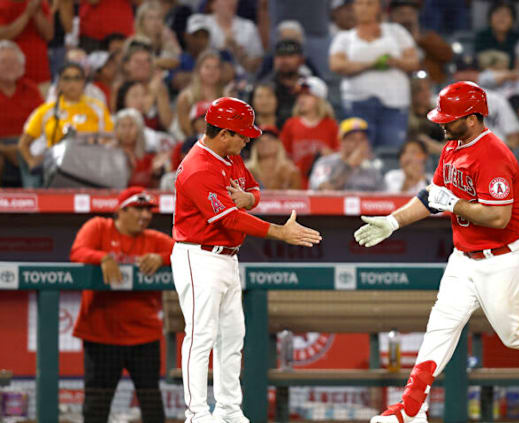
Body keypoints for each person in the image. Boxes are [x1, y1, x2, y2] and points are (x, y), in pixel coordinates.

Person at [354, 81, 519, 423]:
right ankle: (411, 409)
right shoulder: (452, 146)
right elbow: (433, 196)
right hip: (464, 257)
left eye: (450, 117)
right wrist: (392, 222)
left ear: (473, 118)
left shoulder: (494, 154)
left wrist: (456, 202)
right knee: (441, 326)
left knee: (515, 333)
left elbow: (498, 216)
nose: (441, 123)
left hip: (506, 257)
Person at [171, 97, 321, 423]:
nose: (247, 140)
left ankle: (227, 408)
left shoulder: (230, 155)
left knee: (232, 336)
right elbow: (230, 219)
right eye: (242, 135)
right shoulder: (198, 167)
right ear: (223, 133)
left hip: (227, 258)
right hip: (199, 256)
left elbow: (254, 190)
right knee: (201, 336)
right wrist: (280, 232)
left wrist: (249, 198)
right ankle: (197, 413)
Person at [70, 186, 174, 423]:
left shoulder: (154, 240)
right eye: (138, 209)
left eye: (148, 210)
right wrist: (103, 257)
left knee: (151, 405)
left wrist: (161, 258)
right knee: (96, 407)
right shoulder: (98, 227)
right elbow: (77, 251)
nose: (145, 215)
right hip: (101, 336)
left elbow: (185, 252)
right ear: (121, 210)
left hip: (143, 336)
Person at [329, 0, 419, 148]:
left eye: (369, 3)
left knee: (392, 150)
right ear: (353, 8)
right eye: (360, 4)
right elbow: (336, 64)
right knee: (358, 151)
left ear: (378, 7)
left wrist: (394, 62)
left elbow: (414, 62)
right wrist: (370, 64)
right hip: (357, 103)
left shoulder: (396, 32)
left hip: (394, 103)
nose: (364, 8)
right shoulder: (344, 37)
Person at [18, 62, 112, 186]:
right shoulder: (46, 111)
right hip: (55, 169)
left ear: (84, 83)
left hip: (90, 167)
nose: (72, 83)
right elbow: (23, 143)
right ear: (59, 84)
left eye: (77, 78)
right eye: (66, 78)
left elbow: (110, 139)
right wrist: (31, 160)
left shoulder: (97, 108)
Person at [279, 76, 339, 187]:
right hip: (297, 185)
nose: (301, 99)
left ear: (319, 99)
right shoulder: (291, 124)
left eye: (307, 95)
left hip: (323, 185)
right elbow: (283, 156)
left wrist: (330, 156)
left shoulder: (331, 125)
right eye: (299, 95)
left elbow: (339, 158)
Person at [0, 40, 42, 187]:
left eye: (14, 62)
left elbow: (43, 122)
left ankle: (36, 203)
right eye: (4, 62)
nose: (9, 67)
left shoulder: (31, 88)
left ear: (21, 66)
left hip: (28, 143)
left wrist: (22, 148)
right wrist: (4, 149)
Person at [308, 117, 382, 191]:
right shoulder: (325, 163)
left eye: (362, 139)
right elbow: (323, 191)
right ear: (341, 142)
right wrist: (348, 166)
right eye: (352, 139)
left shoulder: (372, 169)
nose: (358, 144)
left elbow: (384, 199)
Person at [389, 0, 452, 84]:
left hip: (429, 87)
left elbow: (447, 55)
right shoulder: (386, 40)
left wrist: (420, 40)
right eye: (402, 14)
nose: (407, 18)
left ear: (417, 16)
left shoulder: (428, 37)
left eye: (411, 14)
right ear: (393, 16)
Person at [0, 0, 54, 89]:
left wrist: (37, 12)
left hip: (39, 71)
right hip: (9, 75)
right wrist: (26, 14)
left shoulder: (39, 3)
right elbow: (3, 36)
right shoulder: (3, 3)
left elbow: (49, 35)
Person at [176, 50, 225, 138]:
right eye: (207, 67)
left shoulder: (226, 97)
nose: (212, 71)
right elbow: (185, 130)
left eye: (216, 67)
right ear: (199, 70)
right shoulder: (186, 97)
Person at [245, 126, 302, 190]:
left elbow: (296, 198)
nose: (265, 143)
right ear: (255, 146)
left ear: (278, 143)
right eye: (260, 141)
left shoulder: (291, 172)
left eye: (270, 139)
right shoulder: (246, 171)